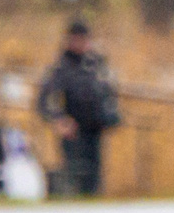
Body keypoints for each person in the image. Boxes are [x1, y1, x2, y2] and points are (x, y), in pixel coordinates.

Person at [36, 19, 119, 197]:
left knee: (94, 175)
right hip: (73, 129)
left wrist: (109, 115)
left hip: (95, 127)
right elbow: (46, 99)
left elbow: (109, 92)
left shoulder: (96, 64)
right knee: (76, 172)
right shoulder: (61, 67)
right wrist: (59, 119)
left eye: (83, 39)